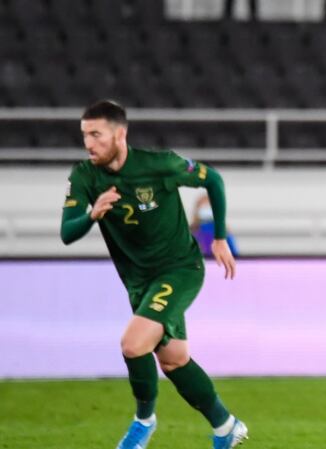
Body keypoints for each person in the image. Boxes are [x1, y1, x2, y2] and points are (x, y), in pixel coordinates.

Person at [60, 100, 248, 449]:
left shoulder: (160, 165)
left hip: (180, 268)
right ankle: (226, 427)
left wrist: (219, 237)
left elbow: (214, 180)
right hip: (139, 281)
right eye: (85, 135)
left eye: (96, 135)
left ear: (120, 134)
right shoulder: (84, 176)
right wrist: (92, 214)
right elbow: (67, 233)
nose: (89, 143)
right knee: (174, 361)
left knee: (133, 345)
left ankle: (143, 422)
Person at [191, 194, 240, 258]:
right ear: (197, 210)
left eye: (209, 206)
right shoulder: (192, 232)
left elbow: (234, 253)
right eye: (204, 207)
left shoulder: (224, 231)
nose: (206, 209)